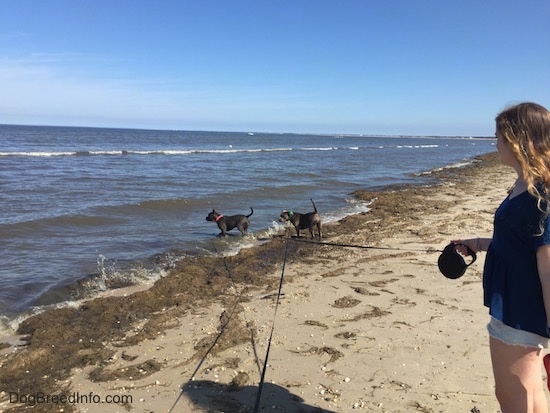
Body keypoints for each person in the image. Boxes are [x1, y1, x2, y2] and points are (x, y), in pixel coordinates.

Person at [452, 102, 550, 412]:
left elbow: (548, 270)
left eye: (499, 137)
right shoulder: (523, 184)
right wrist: (477, 243)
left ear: (519, 140)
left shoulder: (541, 198)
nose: (495, 144)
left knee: (514, 394)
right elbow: (516, 242)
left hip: (522, 309)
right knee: (528, 389)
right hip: (511, 302)